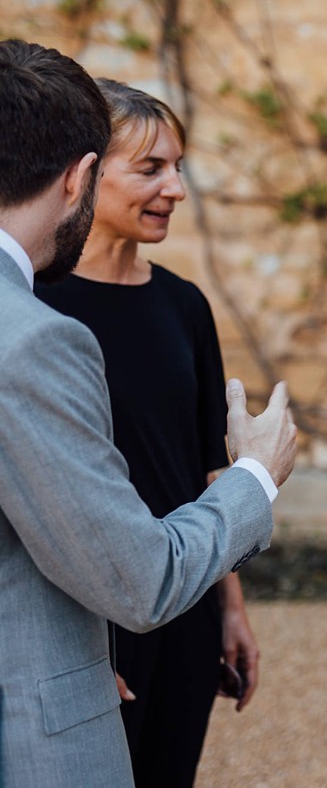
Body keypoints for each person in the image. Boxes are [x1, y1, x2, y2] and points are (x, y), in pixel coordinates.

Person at [0, 39, 296, 788]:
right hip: (106, 598)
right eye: (150, 167)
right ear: (85, 178)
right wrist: (79, 651)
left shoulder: (184, 304)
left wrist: (230, 607)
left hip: (185, 588)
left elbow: (203, 462)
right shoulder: (40, 321)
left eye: (180, 166)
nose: (175, 187)